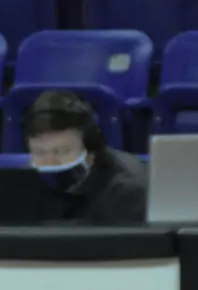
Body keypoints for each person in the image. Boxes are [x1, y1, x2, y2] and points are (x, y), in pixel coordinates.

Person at [23, 90, 148, 222]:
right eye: (40, 152)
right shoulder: (26, 185)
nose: (50, 162)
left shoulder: (126, 192)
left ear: (91, 153)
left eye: (62, 151)